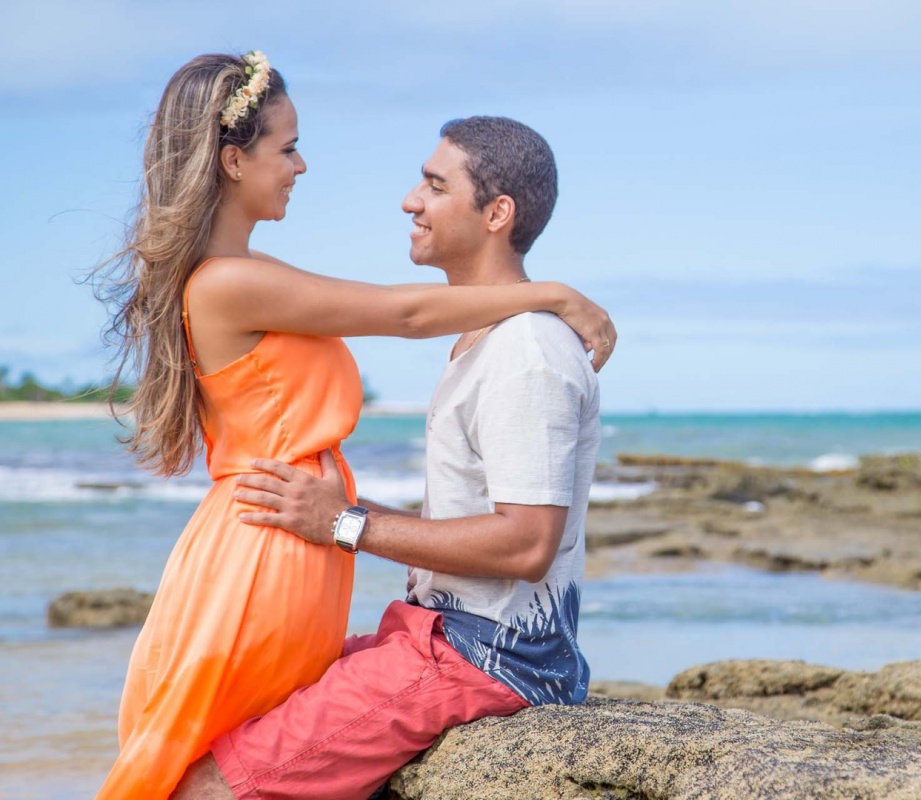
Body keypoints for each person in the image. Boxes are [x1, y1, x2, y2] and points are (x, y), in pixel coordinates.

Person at [93, 52, 615, 800]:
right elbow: (401, 313)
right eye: (289, 147)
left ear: (496, 213)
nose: (303, 166)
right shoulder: (233, 281)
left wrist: (344, 524)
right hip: (276, 555)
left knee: (217, 764)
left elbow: (524, 542)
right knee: (199, 770)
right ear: (233, 160)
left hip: (450, 631)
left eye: (434, 185)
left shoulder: (520, 349)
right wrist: (557, 293)